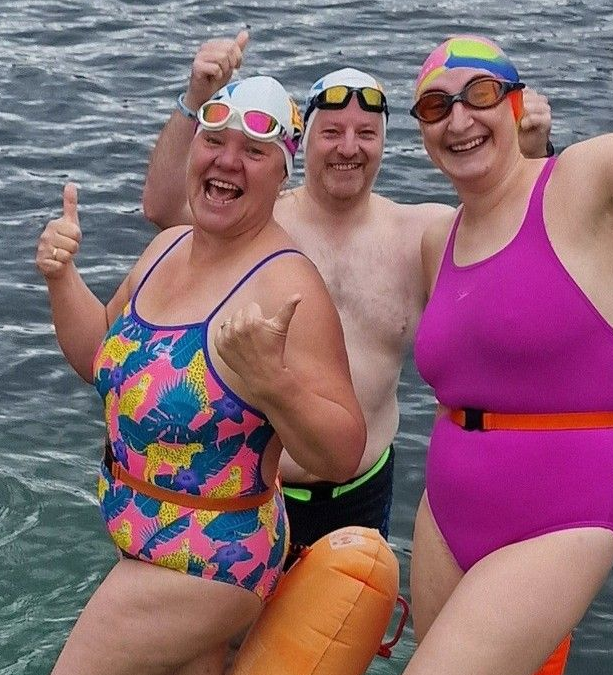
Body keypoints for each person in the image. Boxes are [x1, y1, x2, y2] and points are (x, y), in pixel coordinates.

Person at [141, 32, 554, 550]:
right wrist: (198, 95)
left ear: (384, 144)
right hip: (254, 491)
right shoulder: (256, 223)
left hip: (362, 494)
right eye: (332, 132)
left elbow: (514, 254)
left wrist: (529, 154)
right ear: (302, 144)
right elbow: (164, 209)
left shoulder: (420, 234)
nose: (349, 148)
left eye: (367, 134)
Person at [39, 75, 365, 674]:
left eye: (254, 151)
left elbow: (343, 453)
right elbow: (98, 357)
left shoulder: (286, 284)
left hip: (214, 560)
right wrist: (62, 279)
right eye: (214, 141)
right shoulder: (166, 248)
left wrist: (274, 385)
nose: (228, 161)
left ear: (282, 172)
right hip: (140, 539)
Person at [404, 35, 613, 675]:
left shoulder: (584, 182)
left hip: (565, 511)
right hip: (447, 511)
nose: (458, 119)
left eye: (480, 94)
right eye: (434, 106)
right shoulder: (439, 239)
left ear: (515, 105)